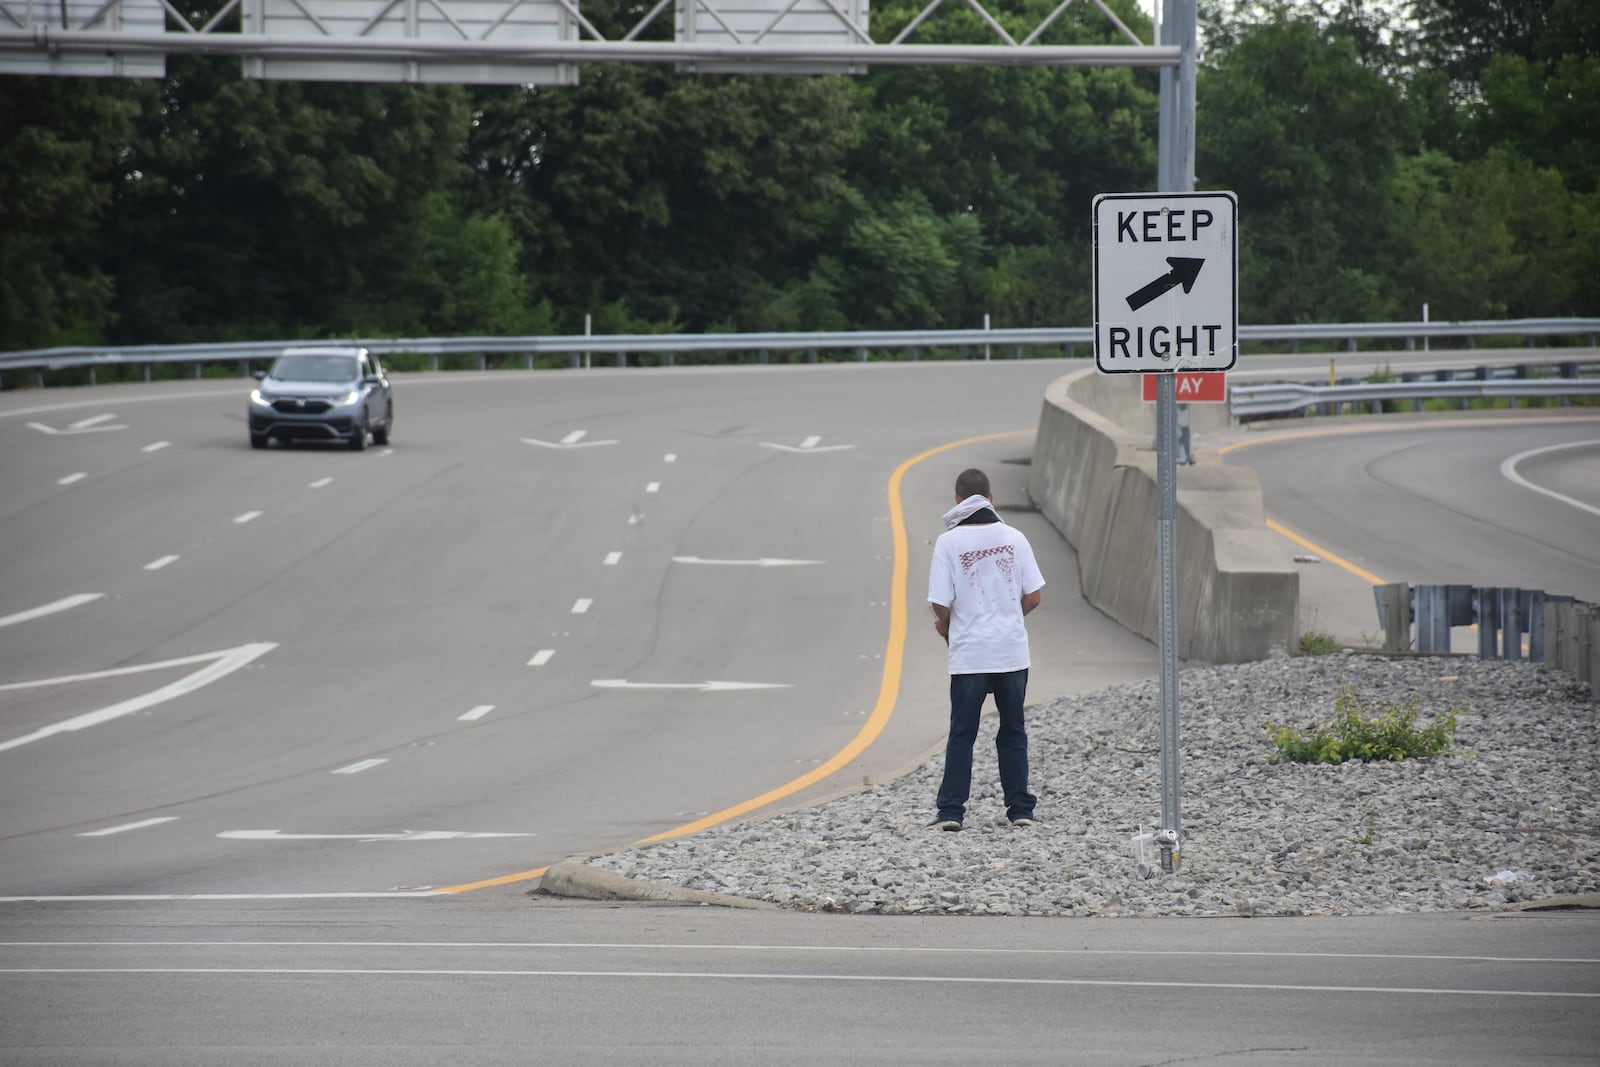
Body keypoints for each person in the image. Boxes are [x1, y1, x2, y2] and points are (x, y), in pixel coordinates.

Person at [927, 467, 1045, 831]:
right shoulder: (1015, 537)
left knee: (962, 731)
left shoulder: (948, 543)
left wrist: (947, 627)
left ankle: (951, 813)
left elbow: (939, 602)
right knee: (1013, 730)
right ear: (991, 498)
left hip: (971, 655)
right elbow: (1035, 595)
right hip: (1011, 652)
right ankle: (1020, 809)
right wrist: (1011, 616)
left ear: (958, 501)